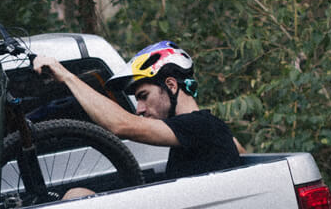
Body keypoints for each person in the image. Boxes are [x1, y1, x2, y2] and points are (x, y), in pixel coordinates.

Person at [32, 40, 243, 180]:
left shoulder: (201, 125)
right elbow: (237, 148)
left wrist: (67, 76)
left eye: (144, 97)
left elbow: (121, 125)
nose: (139, 109)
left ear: (171, 85)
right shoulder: (202, 131)